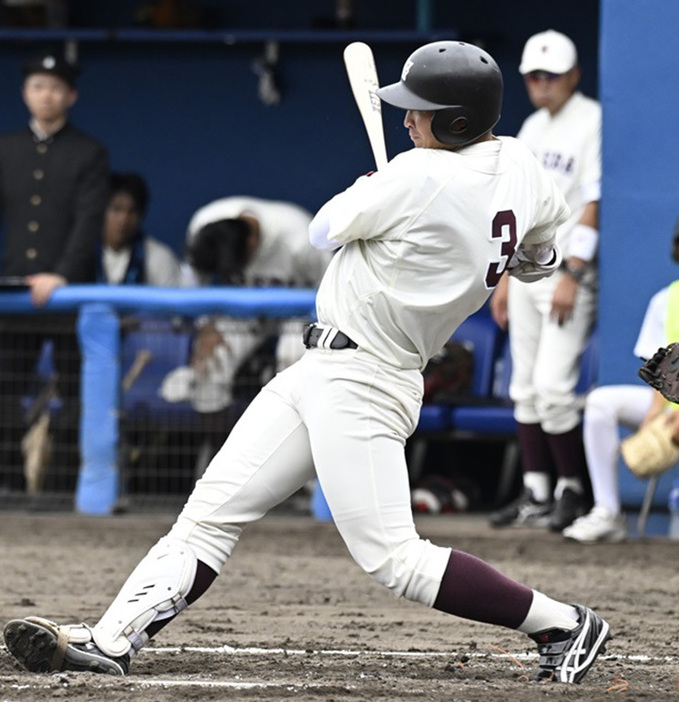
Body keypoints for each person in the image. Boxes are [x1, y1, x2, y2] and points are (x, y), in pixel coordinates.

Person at [3, 41, 611, 684]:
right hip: (323, 369)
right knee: (211, 510)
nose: (405, 120)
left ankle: (563, 624)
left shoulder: (416, 175)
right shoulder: (517, 158)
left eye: (419, 111)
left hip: (366, 378)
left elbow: (324, 229)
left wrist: (378, 187)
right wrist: (468, 236)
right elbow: (540, 256)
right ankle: (114, 638)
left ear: (456, 121)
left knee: (395, 560)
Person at [488, 30, 601, 532]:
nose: (542, 84)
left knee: (555, 387)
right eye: (535, 76)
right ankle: (536, 492)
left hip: (567, 275)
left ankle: (572, 489)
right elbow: (520, 207)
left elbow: (594, 200)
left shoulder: (593, 119)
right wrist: (507, 277)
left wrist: (574, 273)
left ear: (573, 75)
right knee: (524, 387)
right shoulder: (531, 127)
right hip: (528, 270)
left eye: (552, 75)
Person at [0, 51, 109, 491]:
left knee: (78, 391)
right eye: (38, 87)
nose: (46, 96)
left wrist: (61, 274)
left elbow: (88, 220)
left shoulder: (89, 153)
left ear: (71, 95)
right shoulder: (6, 149)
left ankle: (68, 482)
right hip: (14, 289)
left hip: (68, 291)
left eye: (55, 88)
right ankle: (6, 480)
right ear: (26, 94)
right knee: (5, 385)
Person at [161, 195, 332, 470]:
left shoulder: (300, 237)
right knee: (211, 364)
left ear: (252, 243)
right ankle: (227, 462)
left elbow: (332, 290)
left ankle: (302, 467)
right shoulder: (205, 223)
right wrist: (205, 326)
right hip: (243, 314)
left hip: (297, 313)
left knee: (292, 359)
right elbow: (195, 281)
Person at [563, 221, 679, 543]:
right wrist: (657, 416)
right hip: (673, 408)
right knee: (602, 401)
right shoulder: (666, 300)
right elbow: (664, 374)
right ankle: (607, 512)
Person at [99, 172, 181, 287]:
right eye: (116, 209)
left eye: (132, 211)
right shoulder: (83, 257)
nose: (123, 219)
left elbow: (171, 303)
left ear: (141, 215)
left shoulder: (160, 258)